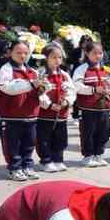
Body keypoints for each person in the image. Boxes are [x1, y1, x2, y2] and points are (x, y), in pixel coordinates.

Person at [0, 41, 45, 182]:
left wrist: (43, 87)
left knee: (29, 143)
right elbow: (7, 88)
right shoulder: (6, 69)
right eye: (18, 52)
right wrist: (31, 84)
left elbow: (39, 90)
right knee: (12, 144)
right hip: (12, 115)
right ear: (10, 53)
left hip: (31, 114)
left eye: (25, 53)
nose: (22, 55)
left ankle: (27, 166)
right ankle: (14, 168)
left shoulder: (33, 71)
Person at [73, 41, 110, 167]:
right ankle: (88, 156)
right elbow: (76, 86)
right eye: (94, 53)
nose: (98, 56)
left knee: (103, 132)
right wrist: (93, 90)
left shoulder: (107, 69)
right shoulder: (82, 69)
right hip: (88, 108)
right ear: (87, 53)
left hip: (104, 107)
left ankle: (99, 154)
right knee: (88, 132)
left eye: (100, 53)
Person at [36, 44, 75, 173]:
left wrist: (66, 101)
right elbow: (38, 93)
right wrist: (49, 105)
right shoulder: (41, 73)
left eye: (60, 57)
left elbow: (71, 90)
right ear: (46, 58)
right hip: (45, 114)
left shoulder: (64, 74)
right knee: (44, 138)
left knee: (60, 138)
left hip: (61, 114)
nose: (57, 60)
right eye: (53, 57)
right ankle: (46, 160)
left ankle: (58, 159)